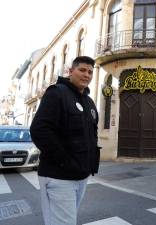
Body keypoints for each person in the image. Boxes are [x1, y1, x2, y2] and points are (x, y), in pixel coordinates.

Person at [30, 56, 100, 225]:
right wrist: (65, 162)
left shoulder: (89, 102)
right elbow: (40, 130)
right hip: (59, 176)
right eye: (82, 70)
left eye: (90, 72)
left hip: (81, 176)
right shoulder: (57, 93)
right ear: (70, 71)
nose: (87, 75)